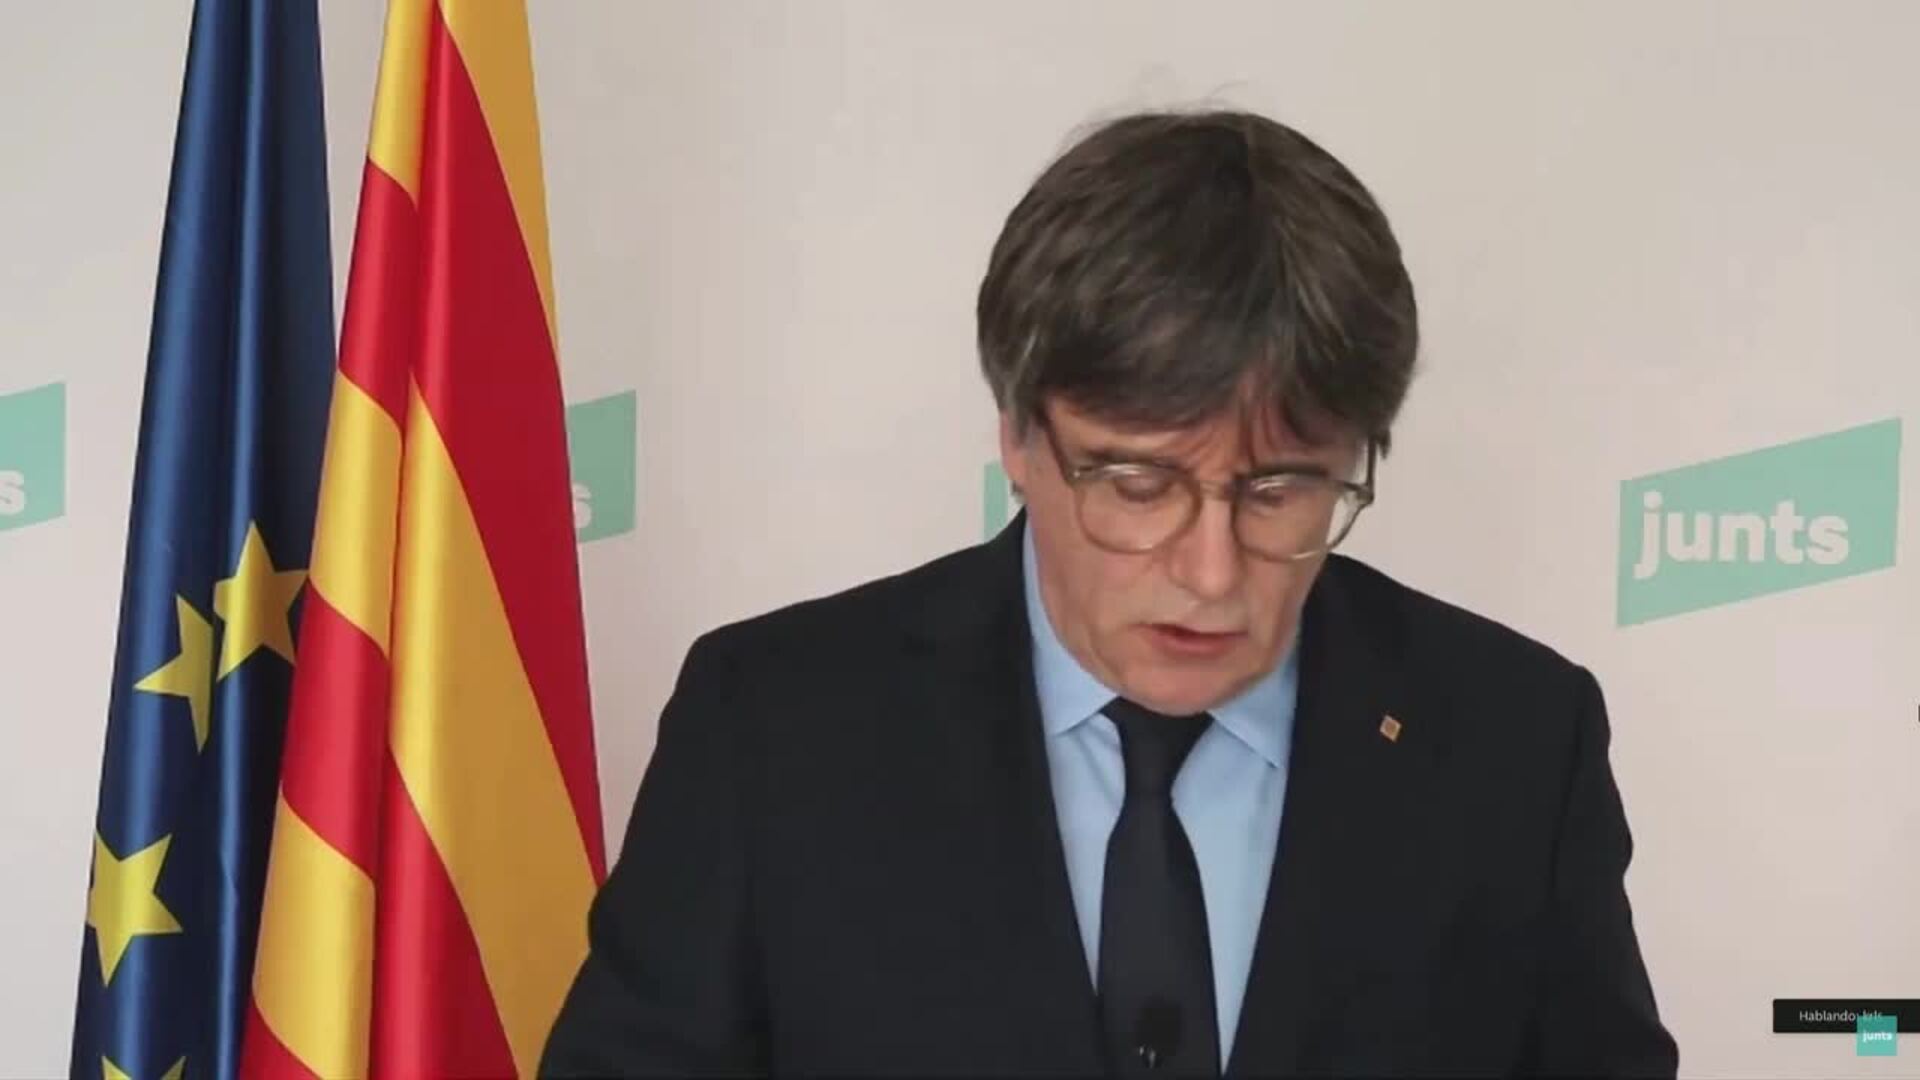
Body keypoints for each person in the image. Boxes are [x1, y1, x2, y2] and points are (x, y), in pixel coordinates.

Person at [540, 107, 1679, 1078]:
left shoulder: (1517, 743)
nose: (1212, 573)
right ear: (1019, 437)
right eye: (1139, 486)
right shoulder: (773, 728)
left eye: (1281, 489)